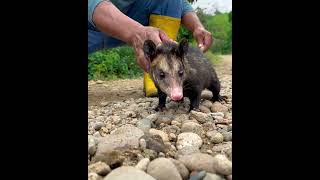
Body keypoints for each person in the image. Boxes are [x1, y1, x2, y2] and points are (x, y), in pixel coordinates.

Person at [88, 0, 213, 97]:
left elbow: (180, 3)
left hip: (133, 18)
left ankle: (157, 77)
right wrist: (135, 32)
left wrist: (197, 26)